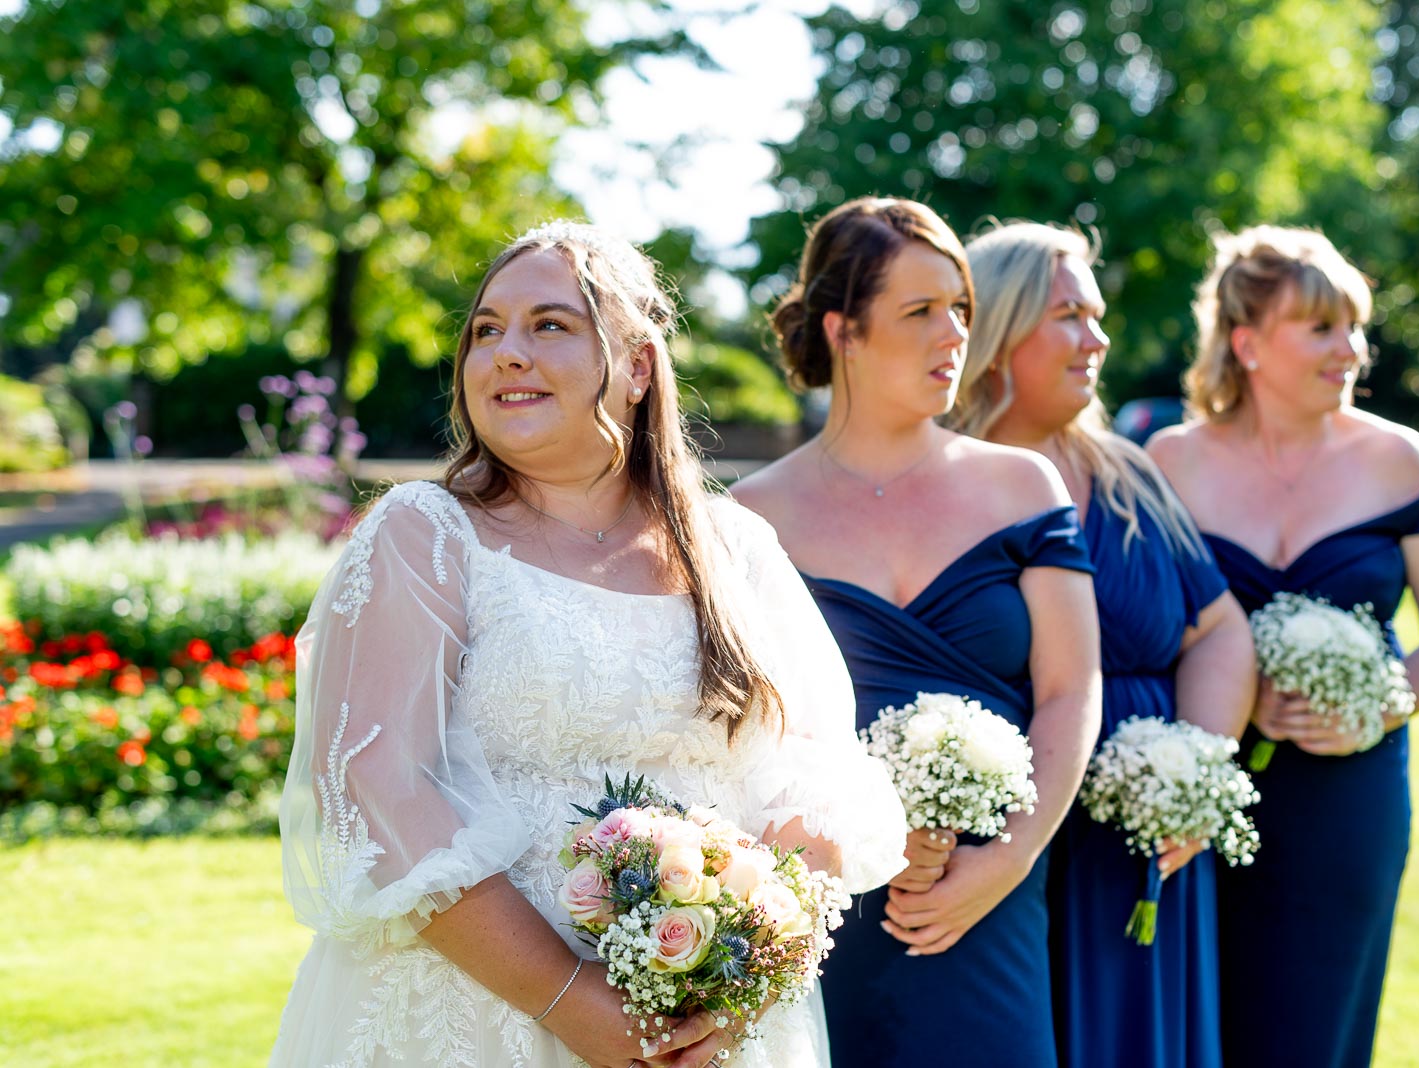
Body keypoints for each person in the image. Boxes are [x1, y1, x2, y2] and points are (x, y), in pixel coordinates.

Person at [269, 221, 909, 1068]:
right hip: (475, 1011)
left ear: (638, 366)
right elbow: (379, 788)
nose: (506, 353)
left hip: (709, 1029)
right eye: (486, 331)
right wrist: (571, 1002)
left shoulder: (732, 547)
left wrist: (735, 980)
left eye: (551, 325)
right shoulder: (424, 536)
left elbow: (817, 778)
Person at [732, 198, 1103, 1067]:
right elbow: (741, 734)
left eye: (961, 311)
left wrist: (1004, 862)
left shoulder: (1023, 486)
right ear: (843, 330)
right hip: (824, 903)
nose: (954, 336)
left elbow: (1071, 688)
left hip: (992, 893)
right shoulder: (748, 517)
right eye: (920, 311)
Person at [1148, 225, 1419, 1068]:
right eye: (1323, 328)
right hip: (1201, 793)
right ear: (1247, 342)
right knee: (1197, 1023)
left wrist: (1379, 706)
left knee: (1318, 1030)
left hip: (1349, 799)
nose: (1352, 351)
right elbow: (1143, 632)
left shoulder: (1401, 461)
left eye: (1355, 327)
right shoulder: (1169, 464)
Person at [953, 219, 1257, 1067]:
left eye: (1097, 315)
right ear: (999, 331)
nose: (1099, 338)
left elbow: (1220, 630)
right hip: (1007, 853)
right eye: (1069, 318)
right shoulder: (943, 481)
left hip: (1147, 843)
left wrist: (1195, 770)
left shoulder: (1130, 473)